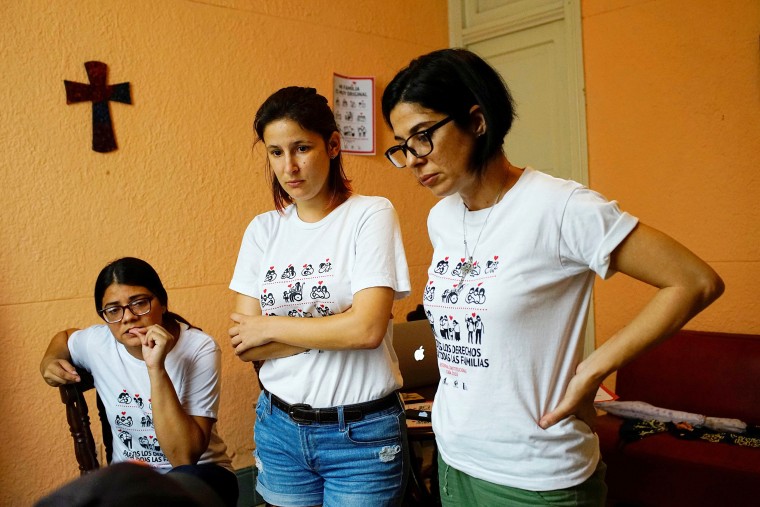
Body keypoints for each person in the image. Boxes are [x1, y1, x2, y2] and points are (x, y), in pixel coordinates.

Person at [381, 48, 724, 506]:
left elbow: (694, 281)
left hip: (537, 476)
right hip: (455, 460)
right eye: (402, 146)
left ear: (477, 121)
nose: (413, 159)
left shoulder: (560, 208)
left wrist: (591, 371)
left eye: (422, 137)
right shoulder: (443, 217)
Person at [228, 86, 411, 507]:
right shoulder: (263, 230)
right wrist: (338, 323)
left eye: (301, 148)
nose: (288, 167)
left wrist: (270, 326)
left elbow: (366, 330)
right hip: (279, 428)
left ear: (332, 146)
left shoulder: (370, 214)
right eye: (275, 153)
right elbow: (243, 344)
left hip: (361, 435)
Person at [40, 257, 238, 507]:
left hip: (202, 475)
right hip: (133, 478)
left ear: (163, 303)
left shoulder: (198, 348)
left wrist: (155, 368)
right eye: (113, 310)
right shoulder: (98, 343)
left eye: (140, 303)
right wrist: (50, 358)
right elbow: (65, 337)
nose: (128, 317)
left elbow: (184, 457)